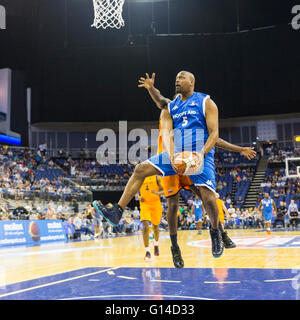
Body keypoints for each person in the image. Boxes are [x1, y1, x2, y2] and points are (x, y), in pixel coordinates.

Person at [92, 71, 255, 263]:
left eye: (182, 77)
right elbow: (164, 118)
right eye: (176, 78)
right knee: (141, 170)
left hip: (199, 154)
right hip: (176, 155)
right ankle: (117, 211)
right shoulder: (171, 107)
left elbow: (214, 135)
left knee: (208, 197)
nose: (177, 80)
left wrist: (201, 155)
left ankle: (215, 232)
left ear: (192, 81)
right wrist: (172, 157)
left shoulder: (205, 102)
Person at [137, 175, 164, 260]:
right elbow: (134, 189)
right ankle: (147, 251)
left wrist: (157, 193)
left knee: (155, 226)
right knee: (145, 226)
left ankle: (156, 244)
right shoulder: (140, 177)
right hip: (145, 204)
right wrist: (138, 197)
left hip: (156, 204)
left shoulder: (157, 177)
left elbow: (164, 190)